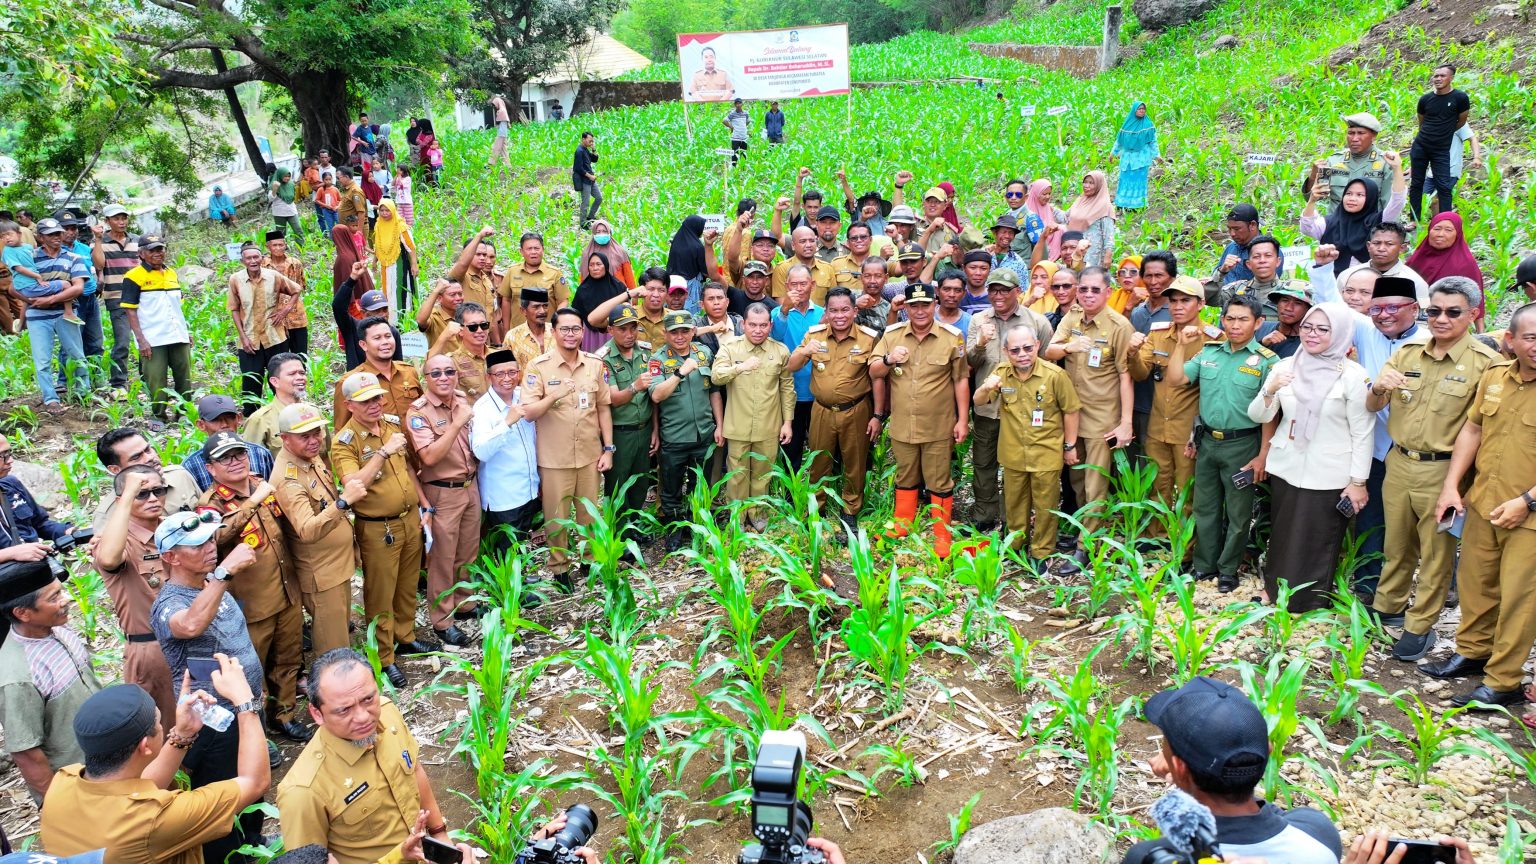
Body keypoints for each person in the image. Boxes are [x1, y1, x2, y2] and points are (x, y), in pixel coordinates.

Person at [1368, 278, 1498, 660]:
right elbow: (1373, 406)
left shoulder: (1486, 365)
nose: (1441, 319)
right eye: (1434, 311)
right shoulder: (1408, 352)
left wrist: (1459, 487)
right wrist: (1377, 388)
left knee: (1437, 554)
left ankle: (1419, 625)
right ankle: (1388, 607)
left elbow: (1482, 432)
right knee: (1396, 544)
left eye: (1452, 312)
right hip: (1399, 460)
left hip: (1444, 472)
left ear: (1472, 314)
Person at [39, 658, 270, 864]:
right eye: (160, 724)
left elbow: (137, 789)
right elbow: (254, 782)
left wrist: (183, 734)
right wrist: (245, 702)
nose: (163, 727)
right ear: (145, 746)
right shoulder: (155, 820)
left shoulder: (63, 781)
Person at [1421, 303, 1536, 710]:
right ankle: (1473, 652)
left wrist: (1527, 501)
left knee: (1521, 599)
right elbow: (1473, 428)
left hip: (1529, 516)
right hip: (1484, 500)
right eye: (1531, 337)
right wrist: (1452, 485)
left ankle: (1505, 680)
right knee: (1476, 583)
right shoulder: (1496, 378)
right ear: (1511, 340)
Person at [149, 510, 268, 863]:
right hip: (213, 721)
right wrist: (223, 573)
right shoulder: (169, 602)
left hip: (246, 708)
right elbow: (188, 625)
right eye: (197, 544)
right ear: (171, 557)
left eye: (211, 539)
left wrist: (256, 690)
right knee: (223, 801)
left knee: (254, 790)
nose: (210, 548)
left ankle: (255, 847)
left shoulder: (210, 585)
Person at [1122, 677, 1343, 864]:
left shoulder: (1155, 856)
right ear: (1268, 750)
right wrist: (1186, 776)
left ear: (1180, 768)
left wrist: (1185, 784)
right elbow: (1261, 816)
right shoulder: (1319, 834)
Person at [277, 649, 465, 864]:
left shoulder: (387, 712)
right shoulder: (302, 791)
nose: (363, 717)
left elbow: (415, 770)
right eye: (344, 710)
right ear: (316, 713)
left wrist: (439, 833)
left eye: (368, 699)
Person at [1247, 302, 1374, 611]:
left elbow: (1363, 432)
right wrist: (1269, 389)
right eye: (1307, 327)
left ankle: (1309, 601)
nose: (1312, 334)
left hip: (1330, 470)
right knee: (1283, 531)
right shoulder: (1285, 367)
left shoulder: (1353, 376)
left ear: (1341, 333)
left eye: (1323, 329)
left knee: (1318, 535)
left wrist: (1358, 481)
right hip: (1288, 464)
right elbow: (1258, 415)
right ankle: (1274, 591)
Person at [197, 431, 307, 741]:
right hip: (251, 602)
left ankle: (283, 715)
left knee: (288, 657)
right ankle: (254, 729)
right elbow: (216, 537)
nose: (235, 462)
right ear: (211, 468)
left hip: (286, 590)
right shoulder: (210, 503)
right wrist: (252, 503)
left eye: (239, 454)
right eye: (225, 458)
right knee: (252, 667)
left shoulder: (261, 484)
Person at [1166, 296, 1278, 593]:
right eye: (1230, 318)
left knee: (1239, 514)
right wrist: (1179, 344)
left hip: (1243, 444)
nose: (1235, 325)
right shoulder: (1209, 353)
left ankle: (1228, 569)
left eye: (1243, 319)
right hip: (1208, 443)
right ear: (1222, 320)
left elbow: (1270, 413)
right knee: (1206, 508)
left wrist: (1263, 455)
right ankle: (1204, 565)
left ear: (1258, 322)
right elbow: (1176, 379)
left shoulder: (1268, 361)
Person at [331, 371, 430, 689]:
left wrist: (422, 506)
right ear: (349, 405)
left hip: (409, 518)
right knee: (380, 594)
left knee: (407, 584)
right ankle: (383, 658)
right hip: (378, 528)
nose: (374, 404)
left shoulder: (390, 424)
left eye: (376, 397)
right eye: (365, 401)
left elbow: (408, 471)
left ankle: (405, 636)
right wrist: (383, 452)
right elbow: (354, 485)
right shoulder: (345, 441)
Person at [871, 283, 969, 556]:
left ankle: (941, 533)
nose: (920, 311)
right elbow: (875, 370)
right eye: (913, 306)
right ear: (906, 308)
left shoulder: (952, 337)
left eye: (925, 305)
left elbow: (960, 379)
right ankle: (903, 523)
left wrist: (962, 420)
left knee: (939, 480)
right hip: (903, 424)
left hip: (938, 425)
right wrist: (890, 359)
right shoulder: (892, 335)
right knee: (905, 475)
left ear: (934, 304)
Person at [974, 326, 1081, 569]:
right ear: (1006, 351)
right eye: (1015, 350)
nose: (1022, 354)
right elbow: (978, 401)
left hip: (1046, 452)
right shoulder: (1001, 373)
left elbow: (1071, 411)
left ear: (1037, 346)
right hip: (1012, 453)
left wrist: (1070, 446)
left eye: (1027, 348)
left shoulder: (1054, 375)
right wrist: (986, 387)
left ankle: (1042, 552)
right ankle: (1015, 547)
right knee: (1014, 504)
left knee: (1045, 506)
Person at [521, 308, 614, 583]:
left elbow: (603, 409)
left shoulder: (595, 365)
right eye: (565, 329)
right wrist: (555, 395)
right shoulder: (538, 366)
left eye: (576, 329)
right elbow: (529, 412)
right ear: (554, 331)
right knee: (556, 518)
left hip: (588, 455)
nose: (571, 334)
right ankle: (559, 568)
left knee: (589, 514)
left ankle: (590, 561)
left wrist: (608, 449)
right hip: (554, 458)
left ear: (583, 332)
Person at [1044, 267, 1133, 546]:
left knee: (1096, 484)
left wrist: (1126, 422)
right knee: (1077, 479)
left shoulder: (1119, 327)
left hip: (1102, 416)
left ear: (1108, 292)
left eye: (1095, 289)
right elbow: (1049, 351)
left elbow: (1125, 376)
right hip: (1071, 414)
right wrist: (1070, 346)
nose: (1088, 295)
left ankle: (1087, 544)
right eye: (1083, 289)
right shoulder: (1072, 318)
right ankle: (1082, 528)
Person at [0, 559, 101, 803]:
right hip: (79, 784)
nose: (66, 600)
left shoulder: (58, 630)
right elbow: (26, 753)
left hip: (104, 763)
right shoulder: (17, 676)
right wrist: (59, 807)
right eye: (54, 597)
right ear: (22, 613)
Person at [785, 288, 883, 531]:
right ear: (826, 312)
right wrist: (806, 351)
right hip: (822, 411)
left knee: (855, 462)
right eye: (834, 310)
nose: (839, 315)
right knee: (819, 460)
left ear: (855, 310)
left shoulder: (869, 338)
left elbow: (879, 379)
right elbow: (791, 366)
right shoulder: (814, 335)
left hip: (856, 410)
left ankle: (850, 511)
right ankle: (816, 507)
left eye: (845, 309)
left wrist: (878, 416)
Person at [966, 269, 1055, 533]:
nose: (998, 295)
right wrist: (981, 343)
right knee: (984, 462)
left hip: (1024, 410)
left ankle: (1012, 519)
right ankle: (985, 513)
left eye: (1005, 290)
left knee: (1017, 467)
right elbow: (970, 363)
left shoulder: (1036, 322)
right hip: (988, 406)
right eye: (993, 290)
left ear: (1018, 291)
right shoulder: (978, 320)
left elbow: (1048, 364)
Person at [272, 403, 362, 659]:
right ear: (285, 439)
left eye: (317, 432)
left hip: (336, 565)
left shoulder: (308, 459)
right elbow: (308, 530)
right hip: (322, 574)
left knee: (340, 629)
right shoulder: (288, 479)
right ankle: (337, 690)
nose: (314, 441)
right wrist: (344, 502)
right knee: (332, 646)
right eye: (305, 436)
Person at [90, 466, 179, 721]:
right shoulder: (117, 541)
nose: (152, 499)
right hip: (153, 648)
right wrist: (128, 494)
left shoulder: (171, 530)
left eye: (158, 491)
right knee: (164, 729)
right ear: (123, 500)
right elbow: (109, 559)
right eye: (142, 494)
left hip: (191, 637)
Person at [406, 354, 480, 645]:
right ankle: (442, 619)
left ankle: (465, 602)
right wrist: (456, 422)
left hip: (470, 486)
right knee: (442, 559)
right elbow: (429, 456)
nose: (444, 378)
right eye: (435, 373)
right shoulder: (419, 412)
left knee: (467, 551)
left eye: (449, 371)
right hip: (442, 491)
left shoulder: (461, 400)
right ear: (426, 378)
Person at [1129, 276, 1213, 529]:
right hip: (1157, 425)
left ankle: (1185, 546)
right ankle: (1158, 537)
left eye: (1185, 301)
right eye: (1173, 300)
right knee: (1158, 485)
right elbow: (1140, 373)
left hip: (1187, 429)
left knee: (1189, 491)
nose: (1177, 306)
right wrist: (1131, 353)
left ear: (1200, 304)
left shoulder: (1212, 339)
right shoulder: (1158, 334)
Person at [712, 304, 794, 529]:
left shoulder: (780, 351)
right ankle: (737, 517)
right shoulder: (730, 348)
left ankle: (757, 514)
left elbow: (787, 388)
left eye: (763, 325)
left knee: (762, 473)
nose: (758, 330)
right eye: (753, 325)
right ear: (743, 324)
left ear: (771, 325)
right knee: (737, 475)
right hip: (737, 425)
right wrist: (739, 368)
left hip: (769, 425)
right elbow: (716, 377)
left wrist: (787, 423)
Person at [648, 310, 721, 551]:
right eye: (674, 332)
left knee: (699, 485)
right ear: (665, 333)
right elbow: (657, 395)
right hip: (674, 436)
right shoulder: (658, 360)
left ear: (692, 331)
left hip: (703, 433)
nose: (680, 336)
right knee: (671, 488)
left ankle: (695, 524)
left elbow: (713, 391)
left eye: (685, 331)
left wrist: (718, 425)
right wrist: (680, 372)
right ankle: (674, 530)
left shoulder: (704, 353)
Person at [597, 307, 659, 544]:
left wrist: (655, 429)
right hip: (620, 432)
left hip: (643, 429)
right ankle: (618, 535)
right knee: (617, 486)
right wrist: (635, 386)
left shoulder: (645, 353)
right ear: (611, 329)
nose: (629, 334)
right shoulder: (603, 358)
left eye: (633, 328)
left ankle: (633, 526)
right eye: (622, 329)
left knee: (640, 482)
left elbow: (651, 397)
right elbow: (611, 397)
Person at [12, 218, 87, 412]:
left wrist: (50, 300)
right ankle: (50, 399)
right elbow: (14, 288)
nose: (57, 237)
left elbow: (78, 287)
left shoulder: (73, 257)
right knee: (42, 359)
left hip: (65, 313)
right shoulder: (30, 257)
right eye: (51, 234)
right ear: (40, 237)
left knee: (77, 354)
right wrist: (32, 301)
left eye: (58, 233)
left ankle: (83, 392)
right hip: (38, 315)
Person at [472, 349, 541, 555]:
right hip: (504, 496)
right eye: (499, 374)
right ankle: (509, 587)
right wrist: (507, 422)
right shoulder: (482, 409)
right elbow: (481, 452)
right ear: (489, 377)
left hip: (529, 488)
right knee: (507, 552)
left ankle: (522, 583)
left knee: (522, 546)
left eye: (512, 372)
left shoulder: (524, 397)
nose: (507, 379)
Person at [121, 233, 191, 427]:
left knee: (184, 377)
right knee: (156, 379)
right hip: (153, 338)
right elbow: (130, 310)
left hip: (178, 334)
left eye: (160, 249)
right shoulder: (133, 277)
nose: (158, 253)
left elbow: (177, 307)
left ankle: (184, 412)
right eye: (152, 250)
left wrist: (187, 331)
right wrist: (141, 340)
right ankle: (158, 416)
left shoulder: (171, 273)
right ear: (142, 254)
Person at [228, 243, 300, 413]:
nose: (253, 261)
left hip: (275, 336)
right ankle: (252, 417)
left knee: (280, 379)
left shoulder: (274, 276)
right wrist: (243, 337)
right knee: (251, 381)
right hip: (250, 340)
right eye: (249, 258)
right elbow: (234, 309)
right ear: (242, 260)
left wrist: (286, 310)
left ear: (262, 258)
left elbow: (296, 290)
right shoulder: (235, 280)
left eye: (256, 257)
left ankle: (287, 413)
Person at [770, 266, 825, 471]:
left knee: (820, 449)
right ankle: (789, 498)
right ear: (786, 286)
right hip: (790, 393)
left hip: (819, 394)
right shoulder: (778, 313)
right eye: (794, 284)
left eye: (804, 284)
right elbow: (774, 338)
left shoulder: (823, 314)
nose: (799, 289)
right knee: (790, 451)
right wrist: (784, 309)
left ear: (812, 285)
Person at [332, 318, 423, 428]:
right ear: (363, 345)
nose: (385, 342)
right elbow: (342, 429)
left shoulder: (408, 372)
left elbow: (423, 410)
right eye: (377, 338)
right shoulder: (349, 383)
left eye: (388, 336)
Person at [1303, 175, 1402, 275]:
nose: (1352, 198)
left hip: (1366, 283)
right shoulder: (1330, 222)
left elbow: (1397, 202)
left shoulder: (1378, 222)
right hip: (1330, 283)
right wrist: (1312, 201)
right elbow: (1307, 227)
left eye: (1360, 195)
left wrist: (1397, 168)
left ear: (1370, 198)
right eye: (1348, 193)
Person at [1410, 64, 1472, 222]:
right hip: (1421, 146)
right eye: (1435, 76)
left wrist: (1443, 134)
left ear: (1451, 78)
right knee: (1416, 183)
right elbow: (1421, 123)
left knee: (1444, 186)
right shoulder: (1425, 99)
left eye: (1442, 76)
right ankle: (1414, 219)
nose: (1438, 79)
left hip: (1441, 150)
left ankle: (1445, 221)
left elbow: (1460, 121)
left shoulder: (1460, 98)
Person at [180, 395, 275, 490]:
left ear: (239, 418)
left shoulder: (260, 454)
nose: (224, 425)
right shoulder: (191, 465)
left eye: (230, 418)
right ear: (201, 425)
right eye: (215, 420)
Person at [91, 203, 137, 393]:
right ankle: (118, 382)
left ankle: (147, 377)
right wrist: (98, 240)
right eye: (116, 218)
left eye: (124, 218)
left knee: (148, 338)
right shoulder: (99, 243)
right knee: (123, 340)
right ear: (108, 221)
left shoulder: (136, 240)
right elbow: (99, 264)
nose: (121, 222)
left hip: (141, 296)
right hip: (116, 296)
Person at [1404, 212, 1484, 320]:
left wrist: (1480, 334)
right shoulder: (1419, 256)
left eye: (1448, 230)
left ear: (1458, 234)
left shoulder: (1465, 263)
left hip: (1446, 320)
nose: (1440, 234)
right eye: (1437, 229)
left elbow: (1476, 301)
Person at [1310, 113, 1393, 214]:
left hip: (1369, 224)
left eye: (1361, 133)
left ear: (1374, 136)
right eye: (1351, 133)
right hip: (1337, 225)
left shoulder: (1385, 162)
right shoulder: (1333, 161)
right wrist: (1313, 176)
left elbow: (1390, 204)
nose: (1354, 139)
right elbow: (1314, 197)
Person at [498, 231, 569, 337]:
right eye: (529, 249)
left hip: (546, 333)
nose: (533, 252)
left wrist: (555, 324)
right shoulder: (512, 271)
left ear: (543, 250)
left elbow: (563, 301)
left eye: (537, 248)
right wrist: (506, 330)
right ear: (521, 251)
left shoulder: (555, 273)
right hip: (518, 333)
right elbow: (506, 300)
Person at [242, 353, 313, 455]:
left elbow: (325, 456)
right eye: (292, 374)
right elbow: (254, 462)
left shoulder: (313, 411)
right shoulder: (259, 420)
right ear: (275, 382)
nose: (300, 377)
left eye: (302, 373)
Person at [428, 302, 491, 403]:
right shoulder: (452, 361)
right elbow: (429, 369)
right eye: (473, 327)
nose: (480, 330)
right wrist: (443, 337)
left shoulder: (499, 355)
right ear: (461, 330)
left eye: (484, 325)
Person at [261, 230, 310, 358]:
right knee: (279, 357)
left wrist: (288, 306)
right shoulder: (262, 265)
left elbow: (299, 287)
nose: (278, 248)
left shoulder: (295, 263)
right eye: (274, 245)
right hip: (274, 316)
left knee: (300, 354)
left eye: (281, 245)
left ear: (285, 245)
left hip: (296, 315)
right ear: (268, 247)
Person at [572, 251, 628, 352]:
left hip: (613, 331)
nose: (595, 268)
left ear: (605, 266)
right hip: (590, 334)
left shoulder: (618, 287)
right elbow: (576, 314)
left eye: (598, 264)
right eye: (591, 265)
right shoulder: (582, 289)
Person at [373, 200, 418, 324]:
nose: (384, 213)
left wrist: (414, 264)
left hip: (400, 264)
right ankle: (391, 320)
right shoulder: (378, 224)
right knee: (387, 290)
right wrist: (374, 261)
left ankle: (404, 320)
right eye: (381, 210)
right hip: (384, 264)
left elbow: (411, 247)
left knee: (400, 290)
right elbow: (378, 244)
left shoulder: (400, 225)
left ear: (393, 210)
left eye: (387, 210)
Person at [1110, 100, 1159, 210]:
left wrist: (1157, 155)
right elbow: (1119, 141)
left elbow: (1153, 141)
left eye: (1143, 109)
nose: (1142, 111)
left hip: (1141, 159)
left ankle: (1138, 205)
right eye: (1139, 109)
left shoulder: (1148, 125)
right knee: (1125, 179)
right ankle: (1122, 203)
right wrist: (1113, 153)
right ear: (1134, 110)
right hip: (1127, 159)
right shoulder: (1127, 125)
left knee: (1139, 181)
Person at [770, 224, 835, 304]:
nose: (808, 245)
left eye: (812, 241)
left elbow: (833, 301)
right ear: (793, 246)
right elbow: (781, 306)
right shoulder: (782, 269)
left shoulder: (827, 268)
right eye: (803, 241)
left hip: (821, 316)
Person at [1065, 171, 1115, 269]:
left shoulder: (1105, 206)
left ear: (1099, 185)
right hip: (1075, 250)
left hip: (1092, 253)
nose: (1086, 186)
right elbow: (1066, 217)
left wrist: (1108, 256)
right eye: (1085, 182)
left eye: (1091, 183)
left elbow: (1109, 235)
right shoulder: (1080, 201)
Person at [1256, 284, 1315, 359]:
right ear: (1277, 304)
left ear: (1308, 309)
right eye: (1285, 300)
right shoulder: (1260, 327)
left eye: (1298, 303)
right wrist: (1262, 344)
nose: (1288, 308)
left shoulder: (1312, 341)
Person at [575, 218, 635, 288]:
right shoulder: (587, 253)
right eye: (598, 232)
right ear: (593, 233)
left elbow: (629, 277)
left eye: (604, 231)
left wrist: (633, 295)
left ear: (609, 233)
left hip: (619, 294)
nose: (601, 234)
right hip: (595, 294)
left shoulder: (619, 252)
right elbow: (583, 279)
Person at [415, 279, 463, 348]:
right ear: (439, 298)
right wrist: (436, 290)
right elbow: (421, 321)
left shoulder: (467, 315)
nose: (458, 298)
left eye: (460, 294)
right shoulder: (434, 317)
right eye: (452, 295)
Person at [572, 131, 601, 227]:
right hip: (585, 181)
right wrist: (590, 176)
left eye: (592, 141)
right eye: (590, 141)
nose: (591, 143)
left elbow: (594, 160)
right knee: (585, 203)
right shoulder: (579, 151)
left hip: (591, 180)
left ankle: (590, 217)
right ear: (583, 139)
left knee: (599, 198)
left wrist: (593, 149)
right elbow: (578, 168)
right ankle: (583, 223)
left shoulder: (586, 149)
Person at [269, 168, 304, 242]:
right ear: (280, 176)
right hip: (279, 212)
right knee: (280, 232)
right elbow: (271, 199)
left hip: (291, 210)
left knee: (298, 229)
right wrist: (275, 189)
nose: (287, 178)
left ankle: (301, 247)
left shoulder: (291, 184)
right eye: (285, 176)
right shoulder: (274, 184)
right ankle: (281, 248)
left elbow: (293, 197)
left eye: (288, 176)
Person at [335, 169, 369, 243]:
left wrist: (359, 232)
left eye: (338, 178)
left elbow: (361, 212)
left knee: (357, 251)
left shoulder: (355, 191)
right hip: (349, 228)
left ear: (346, 177)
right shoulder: (347, 189)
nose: (338, 181)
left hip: (355, 228)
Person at [488, 94, 513, 168]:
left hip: (501, 133)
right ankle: (507, 165)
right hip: (503, 131)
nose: (494, 107)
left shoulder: (501, 111)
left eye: (494, 105)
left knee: (497, 146)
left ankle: (491, 163)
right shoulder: (503, 109)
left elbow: (499, 122)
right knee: (503, 148)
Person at [723, 98, 750, 164]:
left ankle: (742, 170)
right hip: (735, 138)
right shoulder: (732, 114)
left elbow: (748, 121)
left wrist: (743, 127)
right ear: (735, 105)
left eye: (739, 103)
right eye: (736, 103)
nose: (738, 105)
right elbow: (724, 121)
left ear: (742, 104)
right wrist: (731, 127)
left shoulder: (745, 113)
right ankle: (734, 171)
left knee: (743, 155)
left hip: (744, 138)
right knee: (734, 155)